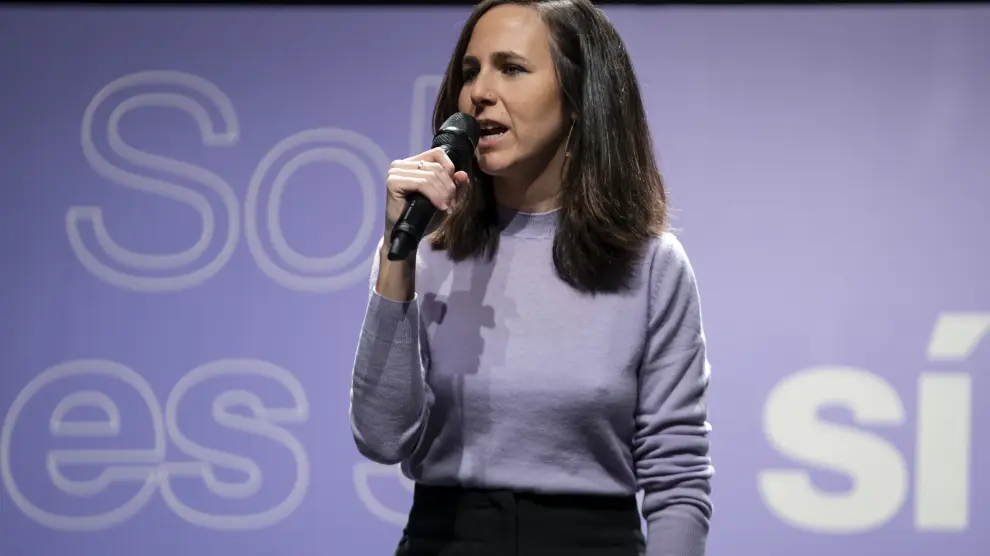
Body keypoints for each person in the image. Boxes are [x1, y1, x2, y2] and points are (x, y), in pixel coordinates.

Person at [349, 0, 713, 554]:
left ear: (579, 99)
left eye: (511, 68)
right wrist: (396, 255)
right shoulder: (426, 250)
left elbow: (678, 479)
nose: (479, 92)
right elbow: (381, 438)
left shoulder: (651, 264)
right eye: (470, 71)